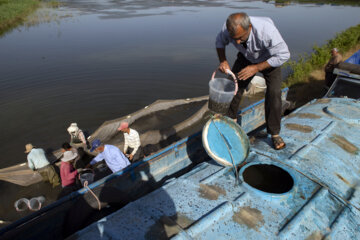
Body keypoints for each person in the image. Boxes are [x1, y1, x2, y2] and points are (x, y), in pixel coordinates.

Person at [215, 12, 290, 150]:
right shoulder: (228, 29)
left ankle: (274, 134)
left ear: (249, 27)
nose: (237, 42)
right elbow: (219, 42)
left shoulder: (267, 31)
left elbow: (284, 54)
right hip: (246, 57)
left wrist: (256, 67)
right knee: (233, 86)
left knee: (274, 93)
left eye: (240, 38)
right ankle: (232, 122)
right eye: (234, 39)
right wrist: (223, 61)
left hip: (269, 60)